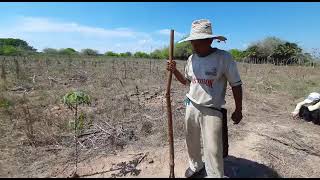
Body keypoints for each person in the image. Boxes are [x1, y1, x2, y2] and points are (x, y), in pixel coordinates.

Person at [166, 19, 243, 178]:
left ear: (210, 40)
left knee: (213, 149)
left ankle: (215, 175)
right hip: (191, 105)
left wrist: (239, 109)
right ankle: (196, 165)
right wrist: (174, 71)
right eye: (192, 42)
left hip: (212, 110)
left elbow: (236, 84)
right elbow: (186, 82)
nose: (194, 45)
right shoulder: (191, 59)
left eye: (198, 41)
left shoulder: (224, 58)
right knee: (191, 141)